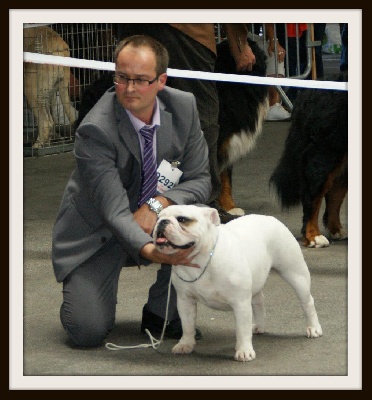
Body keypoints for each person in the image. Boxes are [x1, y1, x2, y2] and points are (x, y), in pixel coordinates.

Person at [52, 35, 212, 347]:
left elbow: (201, 180)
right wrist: (156, 252)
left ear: (161, 81)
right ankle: (86, 293)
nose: (129, 89)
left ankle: (160, 312)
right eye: (122, 77)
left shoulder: (184, 109)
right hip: (99, 234)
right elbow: (113, 212)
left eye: (140, 80)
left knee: (205, 222)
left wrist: (158, 203)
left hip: (152, 220)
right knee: (86, 331)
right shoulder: (95, 130)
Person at [114, 24, 256, 221]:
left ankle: (133, 200)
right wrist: (239, 43)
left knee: (137, 105)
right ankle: (203, 208)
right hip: (185, 29)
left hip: (133, 23)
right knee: (201, 112)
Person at [249, 23, 291, 121]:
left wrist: (273, 40)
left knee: (274, 52)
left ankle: (273, 105)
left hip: (242, 35)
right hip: (228, 37)